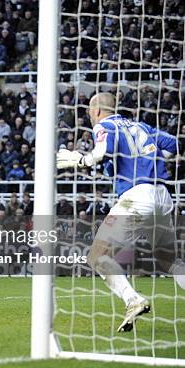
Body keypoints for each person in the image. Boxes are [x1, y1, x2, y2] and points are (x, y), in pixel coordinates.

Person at [56, 92, 185, 332]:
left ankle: (133, 299)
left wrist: (80, 160)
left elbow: (100, 153)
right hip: (162, 196)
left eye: (89, 114)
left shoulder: (104, 125)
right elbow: (175, 144)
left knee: (96, 256)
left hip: (136, 196)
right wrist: (151, 158)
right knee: (170, 260)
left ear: (95, 111)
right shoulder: (141, 126)